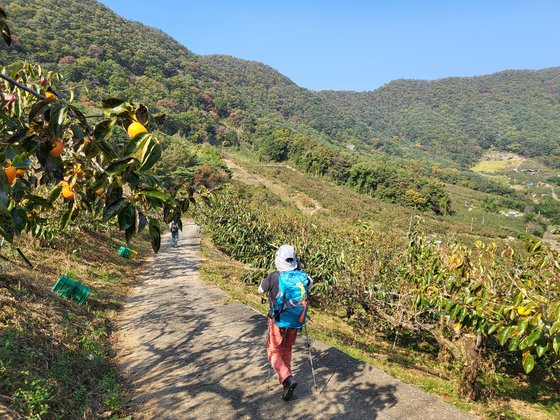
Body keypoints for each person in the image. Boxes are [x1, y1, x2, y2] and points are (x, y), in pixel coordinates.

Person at [258, 244, 312, 401]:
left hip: (278, 321)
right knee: (287, 349)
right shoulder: (303, 277)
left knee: (273, 351)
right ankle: (286, 382)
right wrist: (298, 268)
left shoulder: (274, 277)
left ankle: (287, 378)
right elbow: (311, 282)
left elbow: (260, 290)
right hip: (295, 322)